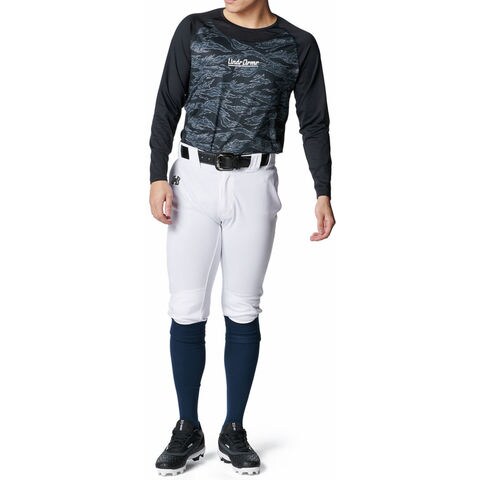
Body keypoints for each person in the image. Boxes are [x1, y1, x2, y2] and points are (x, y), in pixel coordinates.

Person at [149, 0, 335, 475]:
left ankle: (234, 428)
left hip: (255, 182)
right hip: (193, 179)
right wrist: (156, 175)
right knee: (186, 306)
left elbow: (314, 122)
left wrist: (323, 191)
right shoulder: (195, 29)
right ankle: (187, 426)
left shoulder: (298, 44)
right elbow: (168, 102)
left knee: (243, 306)